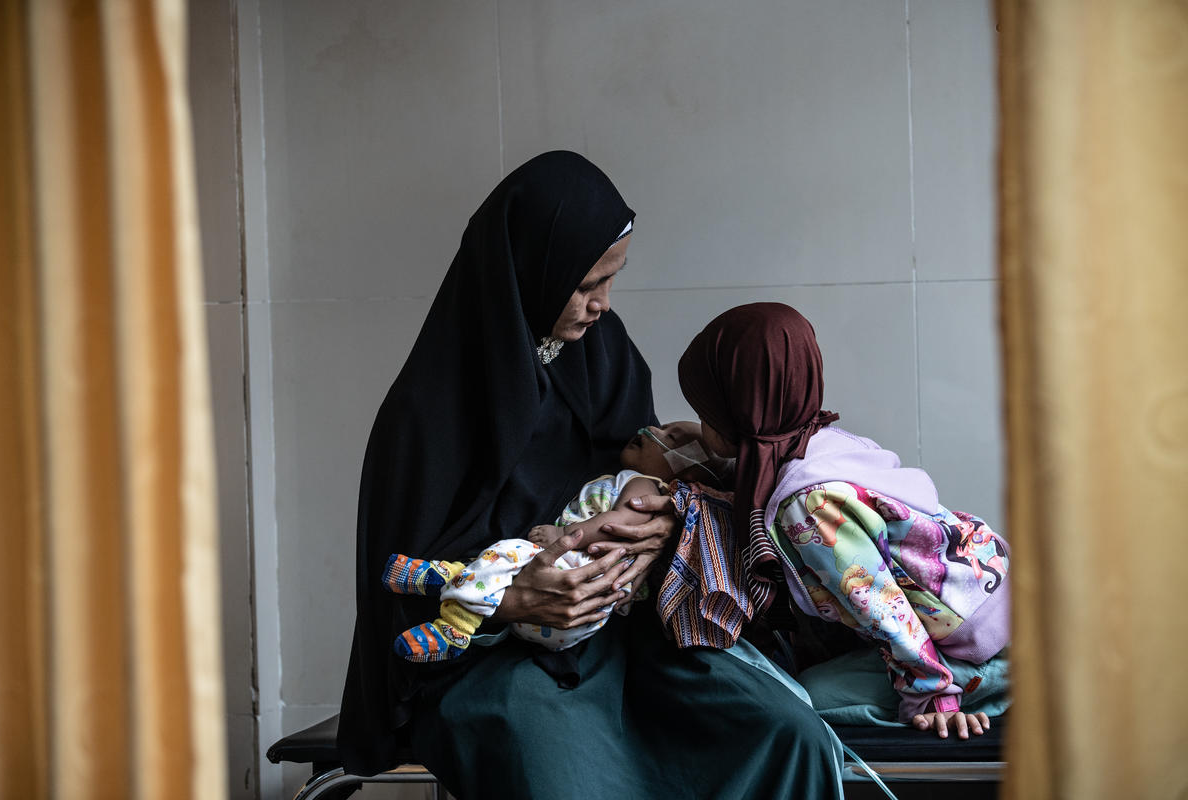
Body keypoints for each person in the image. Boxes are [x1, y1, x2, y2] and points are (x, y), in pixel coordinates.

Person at [337, 153, 843, 798]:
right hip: (494, 657)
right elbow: (393, 581)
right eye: (584, 286)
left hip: (630, 634)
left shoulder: (605, 356)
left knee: (783, 732)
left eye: (611, 280)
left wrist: (660, 527)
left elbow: (648, 477)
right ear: (529, 274)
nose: (602, 305)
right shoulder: (426, 412)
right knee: (566, 774)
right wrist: (510, 599)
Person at [677, 302, 1010, 741]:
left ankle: (995, 683)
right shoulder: (823, 443)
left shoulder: (806, 505)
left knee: (799, 696)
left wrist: (934, 697)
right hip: (993, 593)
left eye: (707, 412)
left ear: (736, 414)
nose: (701, 424)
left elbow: (883, 610)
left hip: (974, 644)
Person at [382, 421, 729, 662]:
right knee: (506, 576)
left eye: (670, 437)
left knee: (509, 552)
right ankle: (457, 586)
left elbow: (618, 523)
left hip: (578, 569)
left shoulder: (645, 485)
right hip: (572, 628)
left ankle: (454, 616)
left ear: (686, 472)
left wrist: (564, 535)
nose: (653, 429)